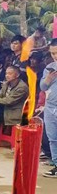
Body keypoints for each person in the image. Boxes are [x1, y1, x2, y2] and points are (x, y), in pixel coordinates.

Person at [41, 38, 57, 177]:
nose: (55, 56)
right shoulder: (49, 67)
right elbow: (42, 87)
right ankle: (56, 164)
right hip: (51, 107)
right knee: (52, 137)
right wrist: (47, 80)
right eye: (52, 53)